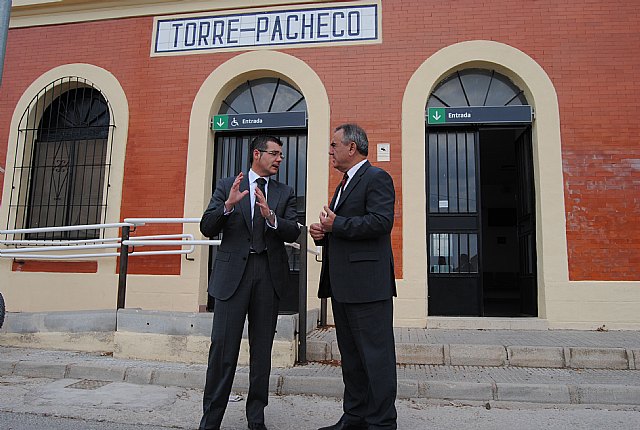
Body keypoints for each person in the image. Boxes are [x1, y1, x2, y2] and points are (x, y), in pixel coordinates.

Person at [199, 135, 301, 430]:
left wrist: (271, 217)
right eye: (274, 153)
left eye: (281, 155)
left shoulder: (284, 192)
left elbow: (293, 230)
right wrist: (227, 207)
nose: (279, 159)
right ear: (257, 154)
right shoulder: (228, 185)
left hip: (268, 276)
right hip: (233, 277)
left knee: (261, 353)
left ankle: (256, 419)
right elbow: (207, 227)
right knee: (223, 350)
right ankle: (210, 420)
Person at [310, 124, 397, 430]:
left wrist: (337, 225)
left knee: (376, 358)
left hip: (369, 287)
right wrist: (323, 233)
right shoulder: (343, 185)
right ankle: (355, 417)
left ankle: (382, 422)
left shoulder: (377, 177)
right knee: (352, 358)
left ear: (352, 147)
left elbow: (381, 222)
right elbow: (343, 227)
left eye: (334, 145)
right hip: (343, 286)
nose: (330, 151)